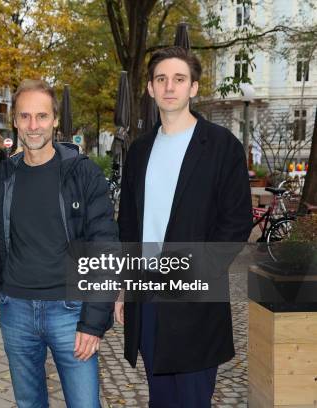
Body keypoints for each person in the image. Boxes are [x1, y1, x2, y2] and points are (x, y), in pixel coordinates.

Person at [114, 46, 253, 407]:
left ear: (193, 88)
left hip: (194, 300)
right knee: (159, 399)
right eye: (161, 79)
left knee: (191, 399)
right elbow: (128, 224)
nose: (169, 87)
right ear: (150, 88)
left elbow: (236, 221)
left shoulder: (222, 146)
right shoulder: (140, 151)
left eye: (179, 79)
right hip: (147, 295)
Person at [0, 79, 118, 407]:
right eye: (25, 116)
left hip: (70, 311)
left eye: (42, 116)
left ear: (55, 120)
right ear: (15, 120)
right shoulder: (2, 177)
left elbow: (105, 247)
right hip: (15, 310)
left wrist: (94, 321)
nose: (34, 126)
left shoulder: (82, 174)